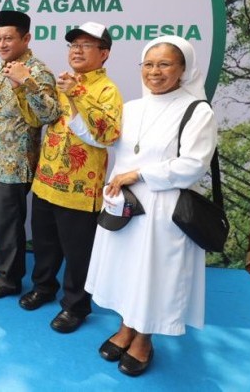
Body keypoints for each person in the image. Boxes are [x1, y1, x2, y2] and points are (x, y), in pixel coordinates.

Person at [85, 36, 218, 377]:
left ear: (183, 69)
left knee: (154, 275)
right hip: (125, 207)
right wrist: (75, 108)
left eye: (164, 64)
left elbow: (193, 165)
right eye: (148, 64)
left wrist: (139, 173)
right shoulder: (132, 107)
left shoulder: (197, 111)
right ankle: (127, 327)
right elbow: (104, 139)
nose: (154, 72)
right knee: (129, 272)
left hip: (163, 210)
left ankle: (144, 338)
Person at [20, 22, 123, 334]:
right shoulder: (64, 82)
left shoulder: (107, 91)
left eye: (86, 46)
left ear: (104, 54)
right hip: (46, 180)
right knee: (44, 243)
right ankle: (43, 287)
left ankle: (76, 305)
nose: (77, 51)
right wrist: (22, 87)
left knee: (78, 254)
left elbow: (106, 135)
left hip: (79, 189)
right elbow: (37, 118)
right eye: (73, 45)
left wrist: (77, 93)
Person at [0, 10, 60, 299]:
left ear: (26, 38)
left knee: (9, 223)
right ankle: (0, 261)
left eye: (8, 38)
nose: (2, 44)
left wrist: (27, 83)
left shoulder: (38, 71)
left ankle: (9, 279)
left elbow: (47, 115)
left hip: (16, 162)